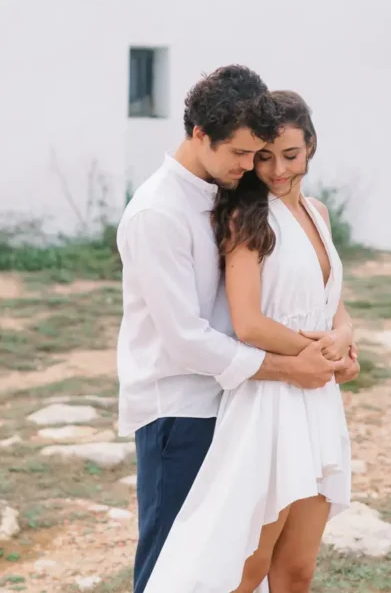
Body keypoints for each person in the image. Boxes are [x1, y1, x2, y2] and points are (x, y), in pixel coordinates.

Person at [116, 66, 358, 593]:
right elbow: (185, 338)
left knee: (222, 557)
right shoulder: (157, 213)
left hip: (238, 394)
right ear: (201, 134)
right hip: (180, 408)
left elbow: (312, 296)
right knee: (175, 564)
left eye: (264, 153)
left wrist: (335, 343)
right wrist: (295, 366)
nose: (255, 168)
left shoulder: (224, 192)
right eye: (244, 155)